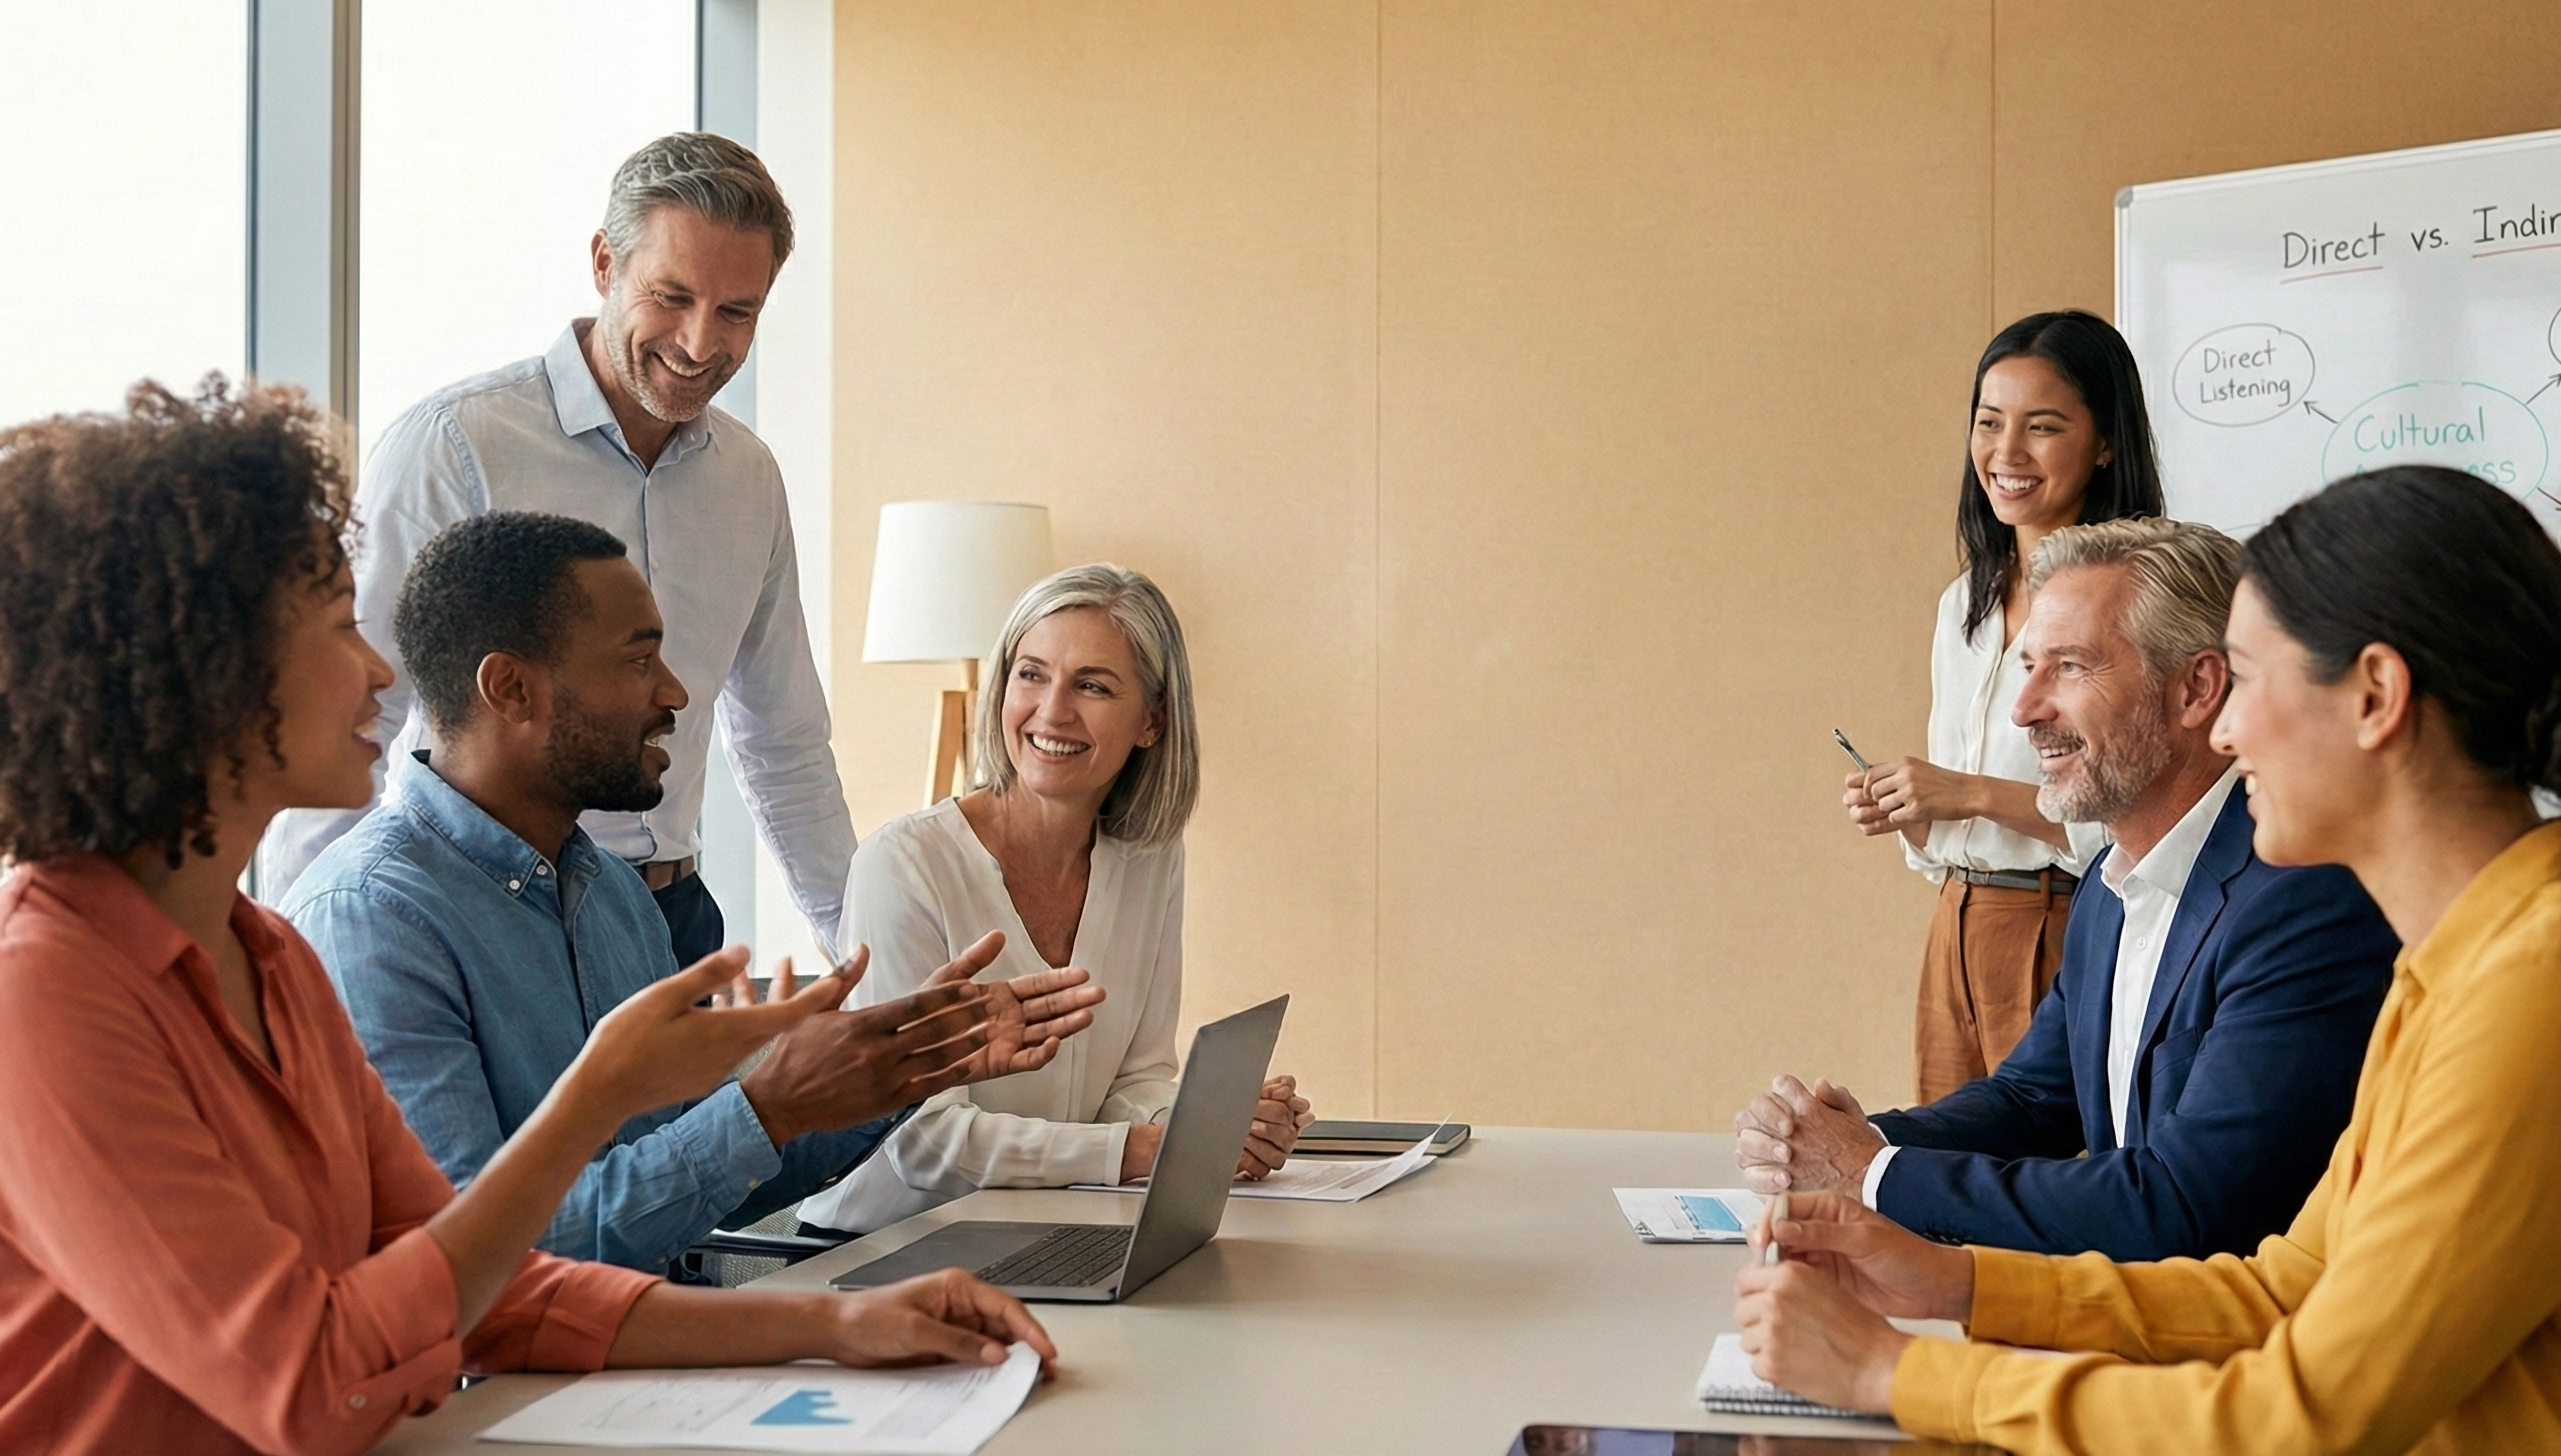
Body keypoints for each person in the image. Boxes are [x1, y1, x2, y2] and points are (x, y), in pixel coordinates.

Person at [0, 381, 1053, 1456]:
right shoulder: (48, 992)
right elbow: (308, 1382)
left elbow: (480, 1283)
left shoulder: (268, 955)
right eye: (335, 632)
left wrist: (836, 1322)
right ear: (200, 672)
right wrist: (602, 1090)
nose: (378, 674)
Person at [1735, 465, 2561, 1454]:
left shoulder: (2528, 984)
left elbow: (2304, 1413)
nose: (2225, 726)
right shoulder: (2457, 962)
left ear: (2375, 696)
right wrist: (1953, 1281)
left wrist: (1894, 1371)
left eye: (2246, 680)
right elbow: (2283, 1286)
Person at [283, 513, 1108, 1271]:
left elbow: (698, 1182)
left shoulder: (610, 893)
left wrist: (896, 1071)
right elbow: (472, 1260)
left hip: (662, 1356)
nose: (675, 693)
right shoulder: (372, 920)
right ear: (511, 689)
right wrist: (763, 1106)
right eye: (639, 661)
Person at [262, 133, 849, 968]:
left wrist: (869, 964)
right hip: (486, 918)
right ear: (606, 264)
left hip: (671, 924)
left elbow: (783, 741)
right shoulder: (455, 445)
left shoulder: (749, 478)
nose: (697, 343)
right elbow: (354, 704)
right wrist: (287, 969)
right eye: (670, 296)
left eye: (736, 312)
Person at [1740, 519, 2396, 1260]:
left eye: (2070, 667)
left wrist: (1872, 1174)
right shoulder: (2110, 885)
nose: (2024, 711)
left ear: (2196, 690)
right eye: (2027, 667)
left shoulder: (2303, 901)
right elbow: (2031, 1100)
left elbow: (2185, 1207)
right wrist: (1861, 1141)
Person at [798, 565, 1315, 1235]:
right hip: (879, 1249)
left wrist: (1206, 1127)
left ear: (1151, 721)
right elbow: (921, 1141)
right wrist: (1140, 1150)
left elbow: (1136, 1077)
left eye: (1092, 686)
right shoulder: (903, 865)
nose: (1052, 711)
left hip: (1050, 1228)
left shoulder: (1149, 856)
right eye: (1031, 674)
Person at [1846, 311, 2165, 1102]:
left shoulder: (2141, 599)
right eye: (1988, 424)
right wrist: (1912, 809)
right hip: (1954, 923)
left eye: (2042, 427)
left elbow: (2137, 823)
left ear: (2104, 441)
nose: (2005, 454)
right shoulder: (1967, 603)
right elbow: (1943, 833)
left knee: (2043, 1183)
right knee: (1943, 1181)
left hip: (2068, 921)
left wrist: (1968, 793)